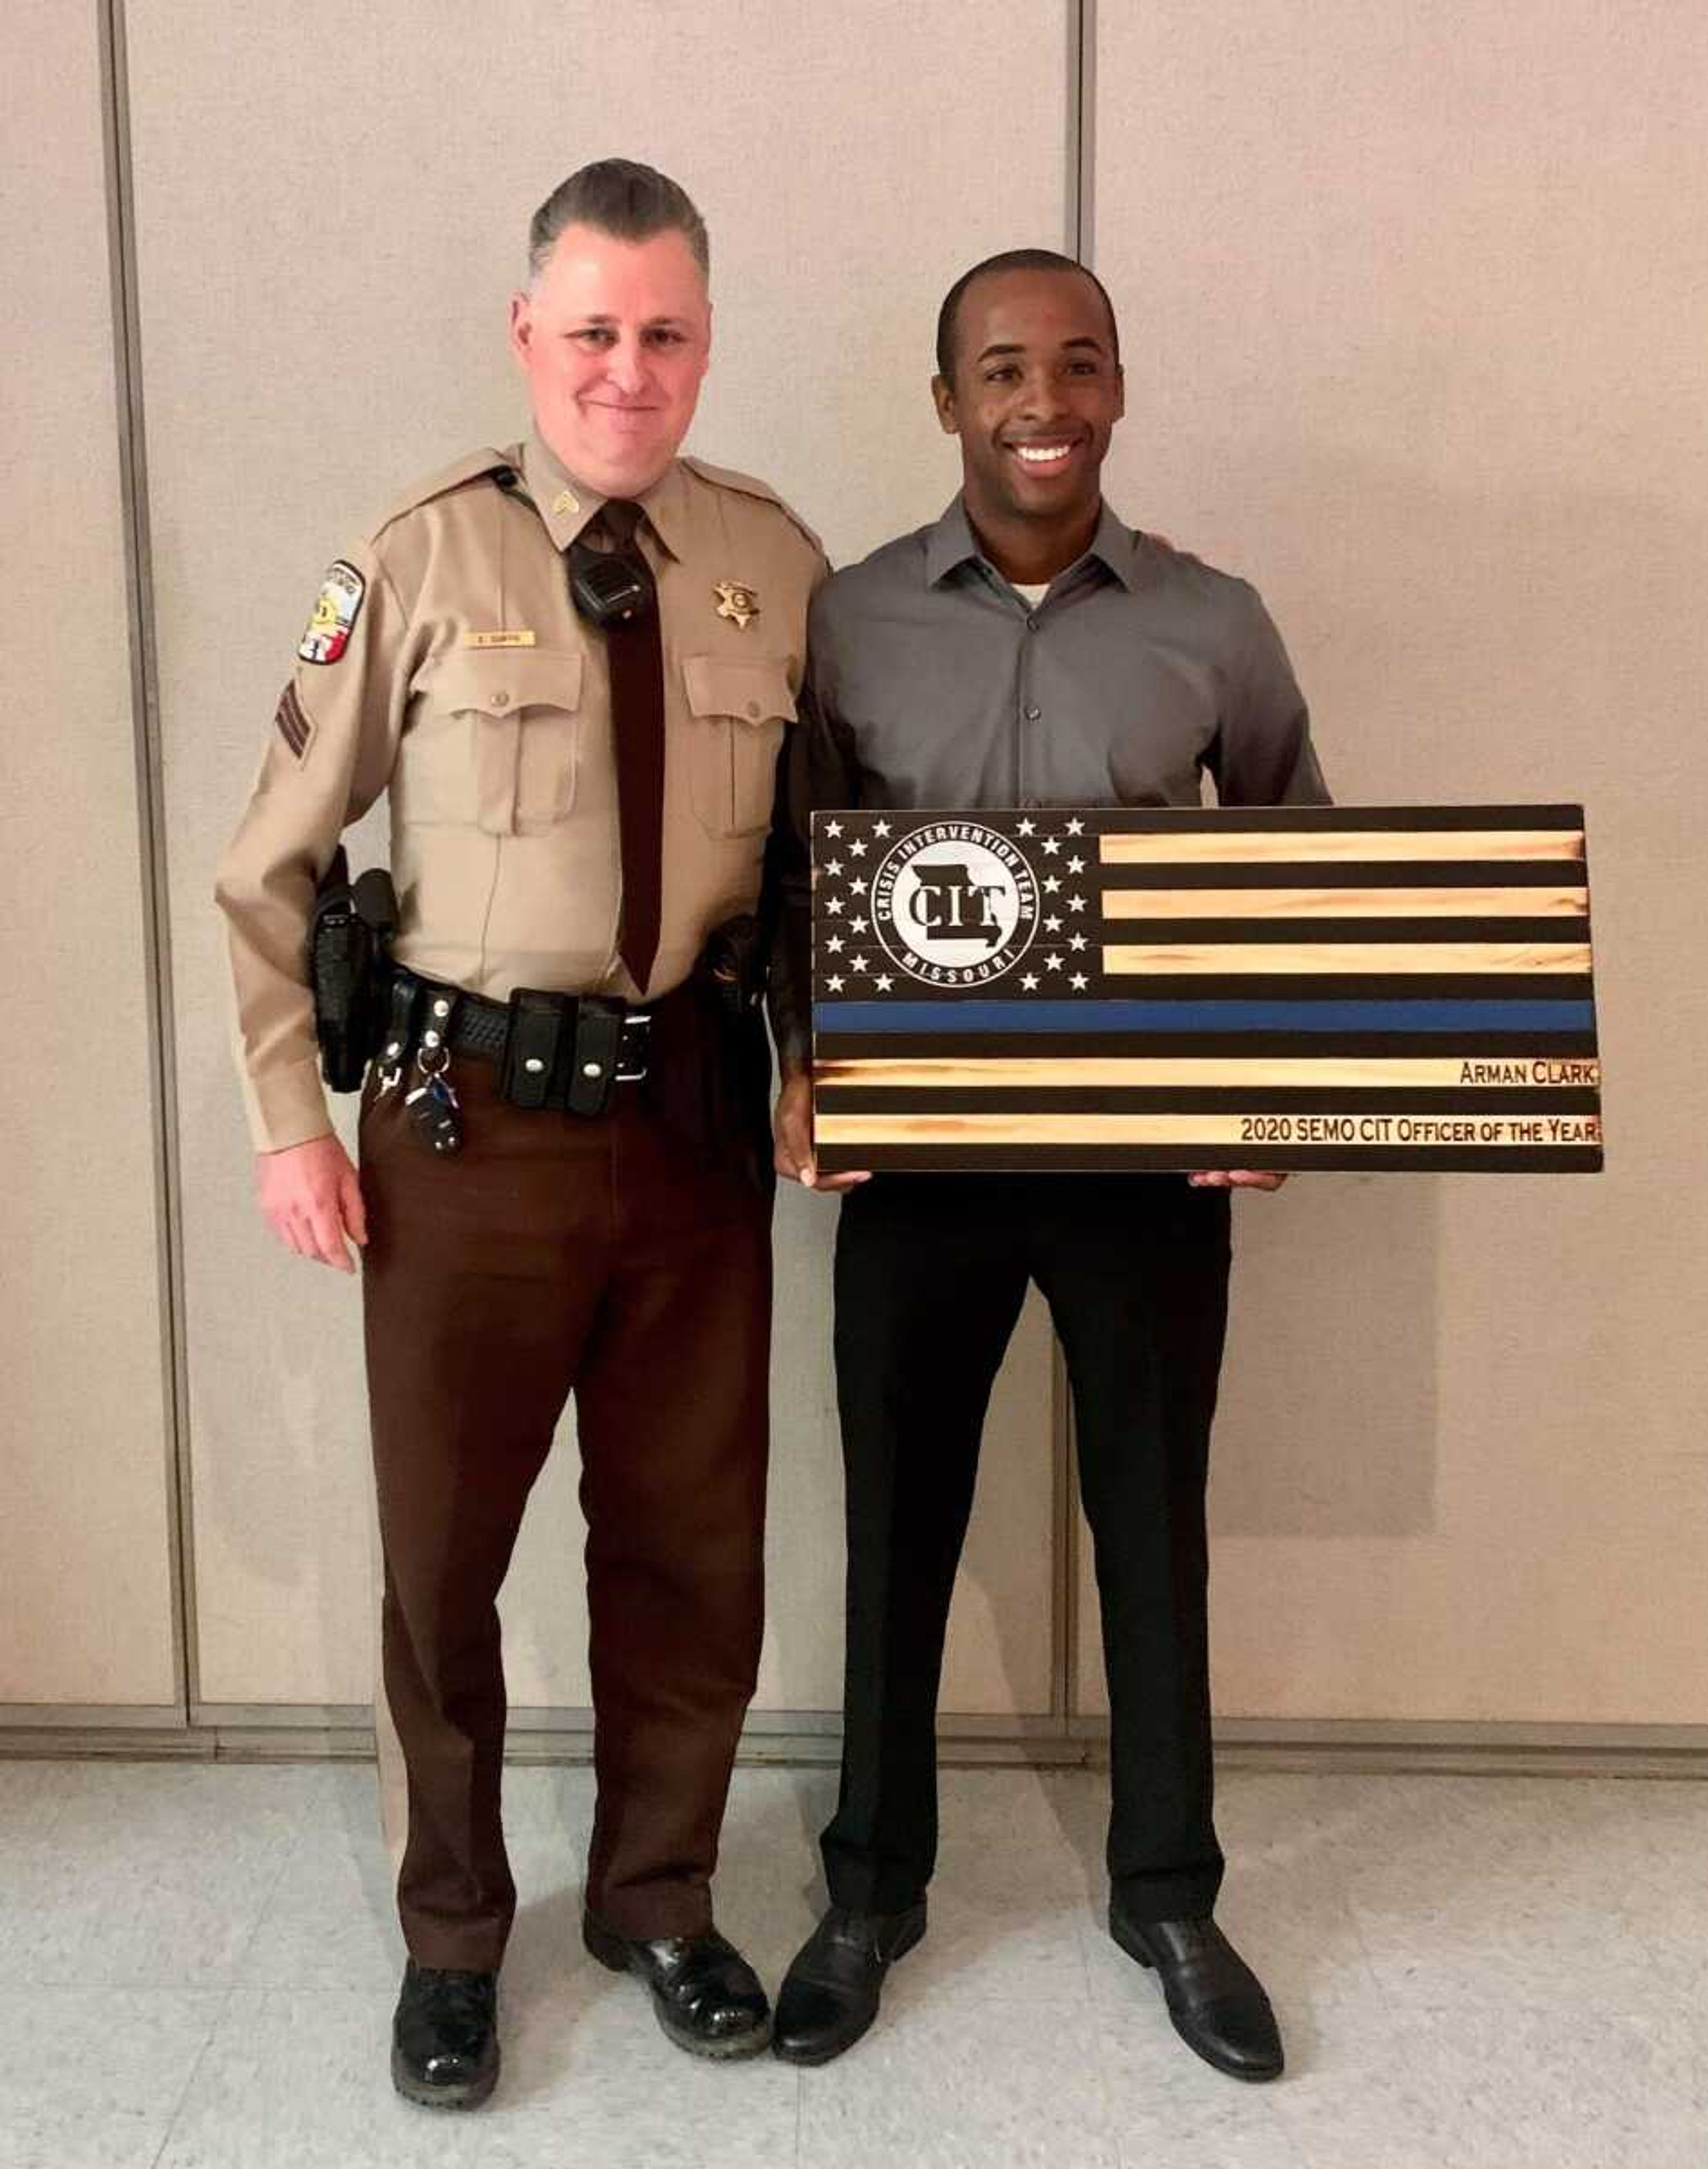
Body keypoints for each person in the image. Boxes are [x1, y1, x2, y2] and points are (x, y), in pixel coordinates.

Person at [215, 159, 825, 2108]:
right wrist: (287, 1124)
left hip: (694, 1133)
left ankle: (655, 1896)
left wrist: (833, 1073)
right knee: (440, 1562)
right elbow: (267, 867)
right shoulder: (413, 560)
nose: (627, 374)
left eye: (664, 335)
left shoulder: (775, 563)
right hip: (463, 1133)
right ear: (526, 336)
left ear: (704, 342)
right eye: (592, 333)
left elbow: (831, 868)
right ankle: (455, 1936)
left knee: (688, 1552)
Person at [767, 248, 1327, 2080]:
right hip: (913, 1171)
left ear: (1118, 389)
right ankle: (869, 1886)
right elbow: (793, 886)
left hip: (1145, 1173)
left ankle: (1169, 1888)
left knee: (1153, 1525)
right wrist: (801, 1071)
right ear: (946, 401)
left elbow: (1296, 873)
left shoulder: (1214, 622)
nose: (1043, 400)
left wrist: (1278, 1103)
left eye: (1078, 363)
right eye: (1002, 367)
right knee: (896, 1522)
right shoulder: (843, 621)